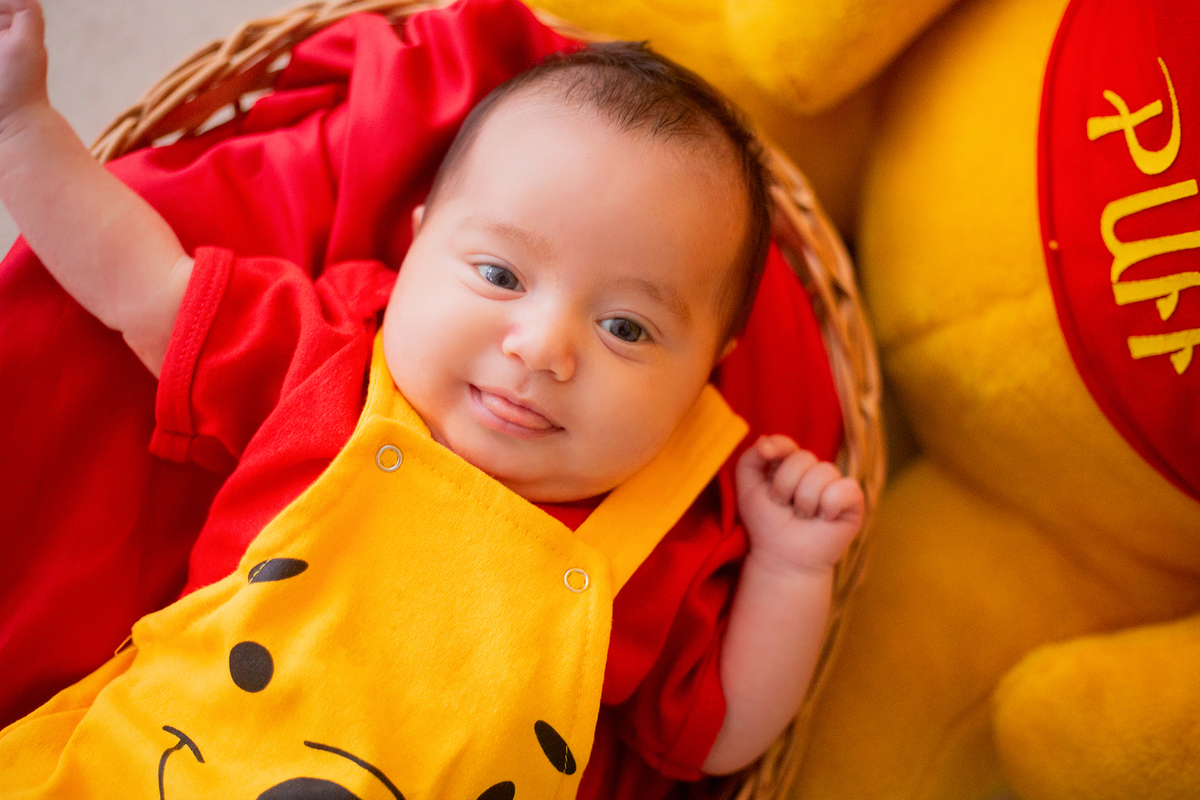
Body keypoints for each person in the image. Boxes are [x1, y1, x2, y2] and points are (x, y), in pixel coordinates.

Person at [0, 0, 864, 795]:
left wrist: (792, 567)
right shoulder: (325, 365)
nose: (543, 349)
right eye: (498, 275)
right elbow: (142, 286)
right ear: (413, 248)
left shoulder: (655, 537)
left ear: (711, 367)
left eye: (627, 329)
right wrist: (22, 126)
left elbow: (719, 739)